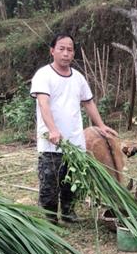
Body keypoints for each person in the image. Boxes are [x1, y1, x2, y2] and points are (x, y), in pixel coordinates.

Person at [30, 33, 117, 224]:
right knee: (50, 183)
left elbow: (89, 102)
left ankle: (69, 212)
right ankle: (50, 218)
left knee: (70, 181)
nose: (65, 53)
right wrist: (53, 130)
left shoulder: (78, 77)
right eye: (61, 49)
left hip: (75, 142)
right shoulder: (43, 75)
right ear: (52, 51)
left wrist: (101, 126)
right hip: (51, 142)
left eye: (69, 49)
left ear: (73, 53)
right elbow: (43, 104)